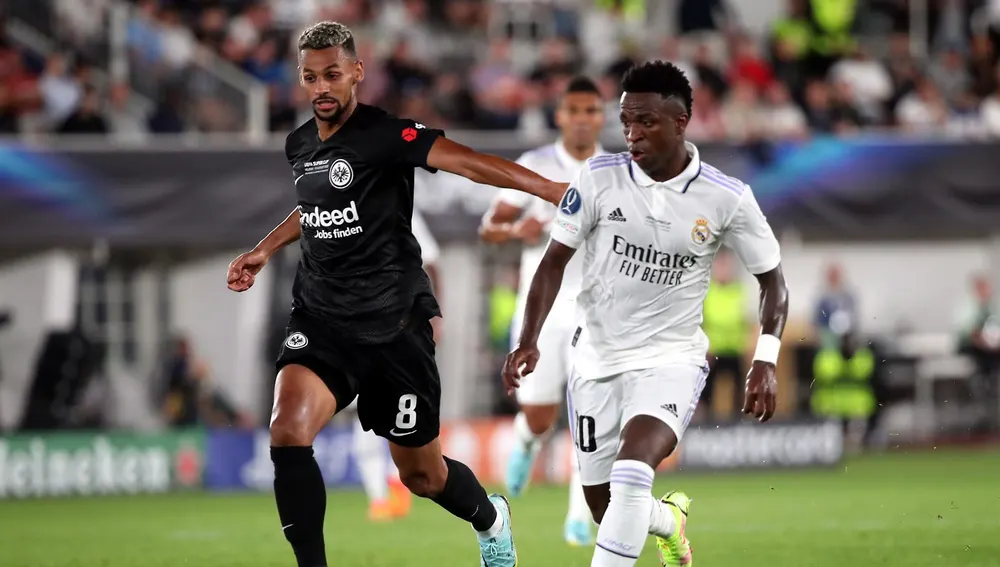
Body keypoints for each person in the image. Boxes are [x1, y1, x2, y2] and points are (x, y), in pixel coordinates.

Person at [226, 21, 565, 567]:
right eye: (310, 77)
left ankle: (491, 518)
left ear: (357, 72)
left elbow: (468, 162)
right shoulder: (300, 143)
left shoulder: (388, 134)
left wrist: (545, 187)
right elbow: (313, 208)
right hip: (321, 318)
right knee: (287, 429)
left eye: (332, 74)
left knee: (422, 475)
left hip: (394, 325)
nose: (321, 88)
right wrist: (265, 248)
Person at [502, 61, 789, 567]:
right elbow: (551, 264)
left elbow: (773, 281)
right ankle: (668, 521)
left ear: (681, 123)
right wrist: (529, 338)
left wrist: (765, 359)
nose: (632, 134)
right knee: (603, 506)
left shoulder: (727, 198)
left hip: (670, 360)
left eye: (647, 123)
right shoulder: (596, 180)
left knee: (632, 473)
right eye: (626, 121)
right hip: (595, 359)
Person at [479, 75, 606, 546]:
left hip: (596, 310)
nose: (582, 119)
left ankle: (580, 516)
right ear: (560, 116)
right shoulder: (535, 164)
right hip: (544, 309)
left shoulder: (616, 168)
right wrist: (519, 232)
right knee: (541, 415)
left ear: (600, 116)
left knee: (590, 414)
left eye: (591, 110)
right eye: (573, 110)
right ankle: (527, 441)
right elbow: (488, 228)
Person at [351, 207, 441, 521]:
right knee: (364, 420)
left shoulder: (406, 211)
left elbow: (431, 262)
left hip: (403, 331)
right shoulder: (343, 211)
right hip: (359, 330)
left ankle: (397, 488)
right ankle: (378, 498)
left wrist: (433, 315)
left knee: (403, 413)